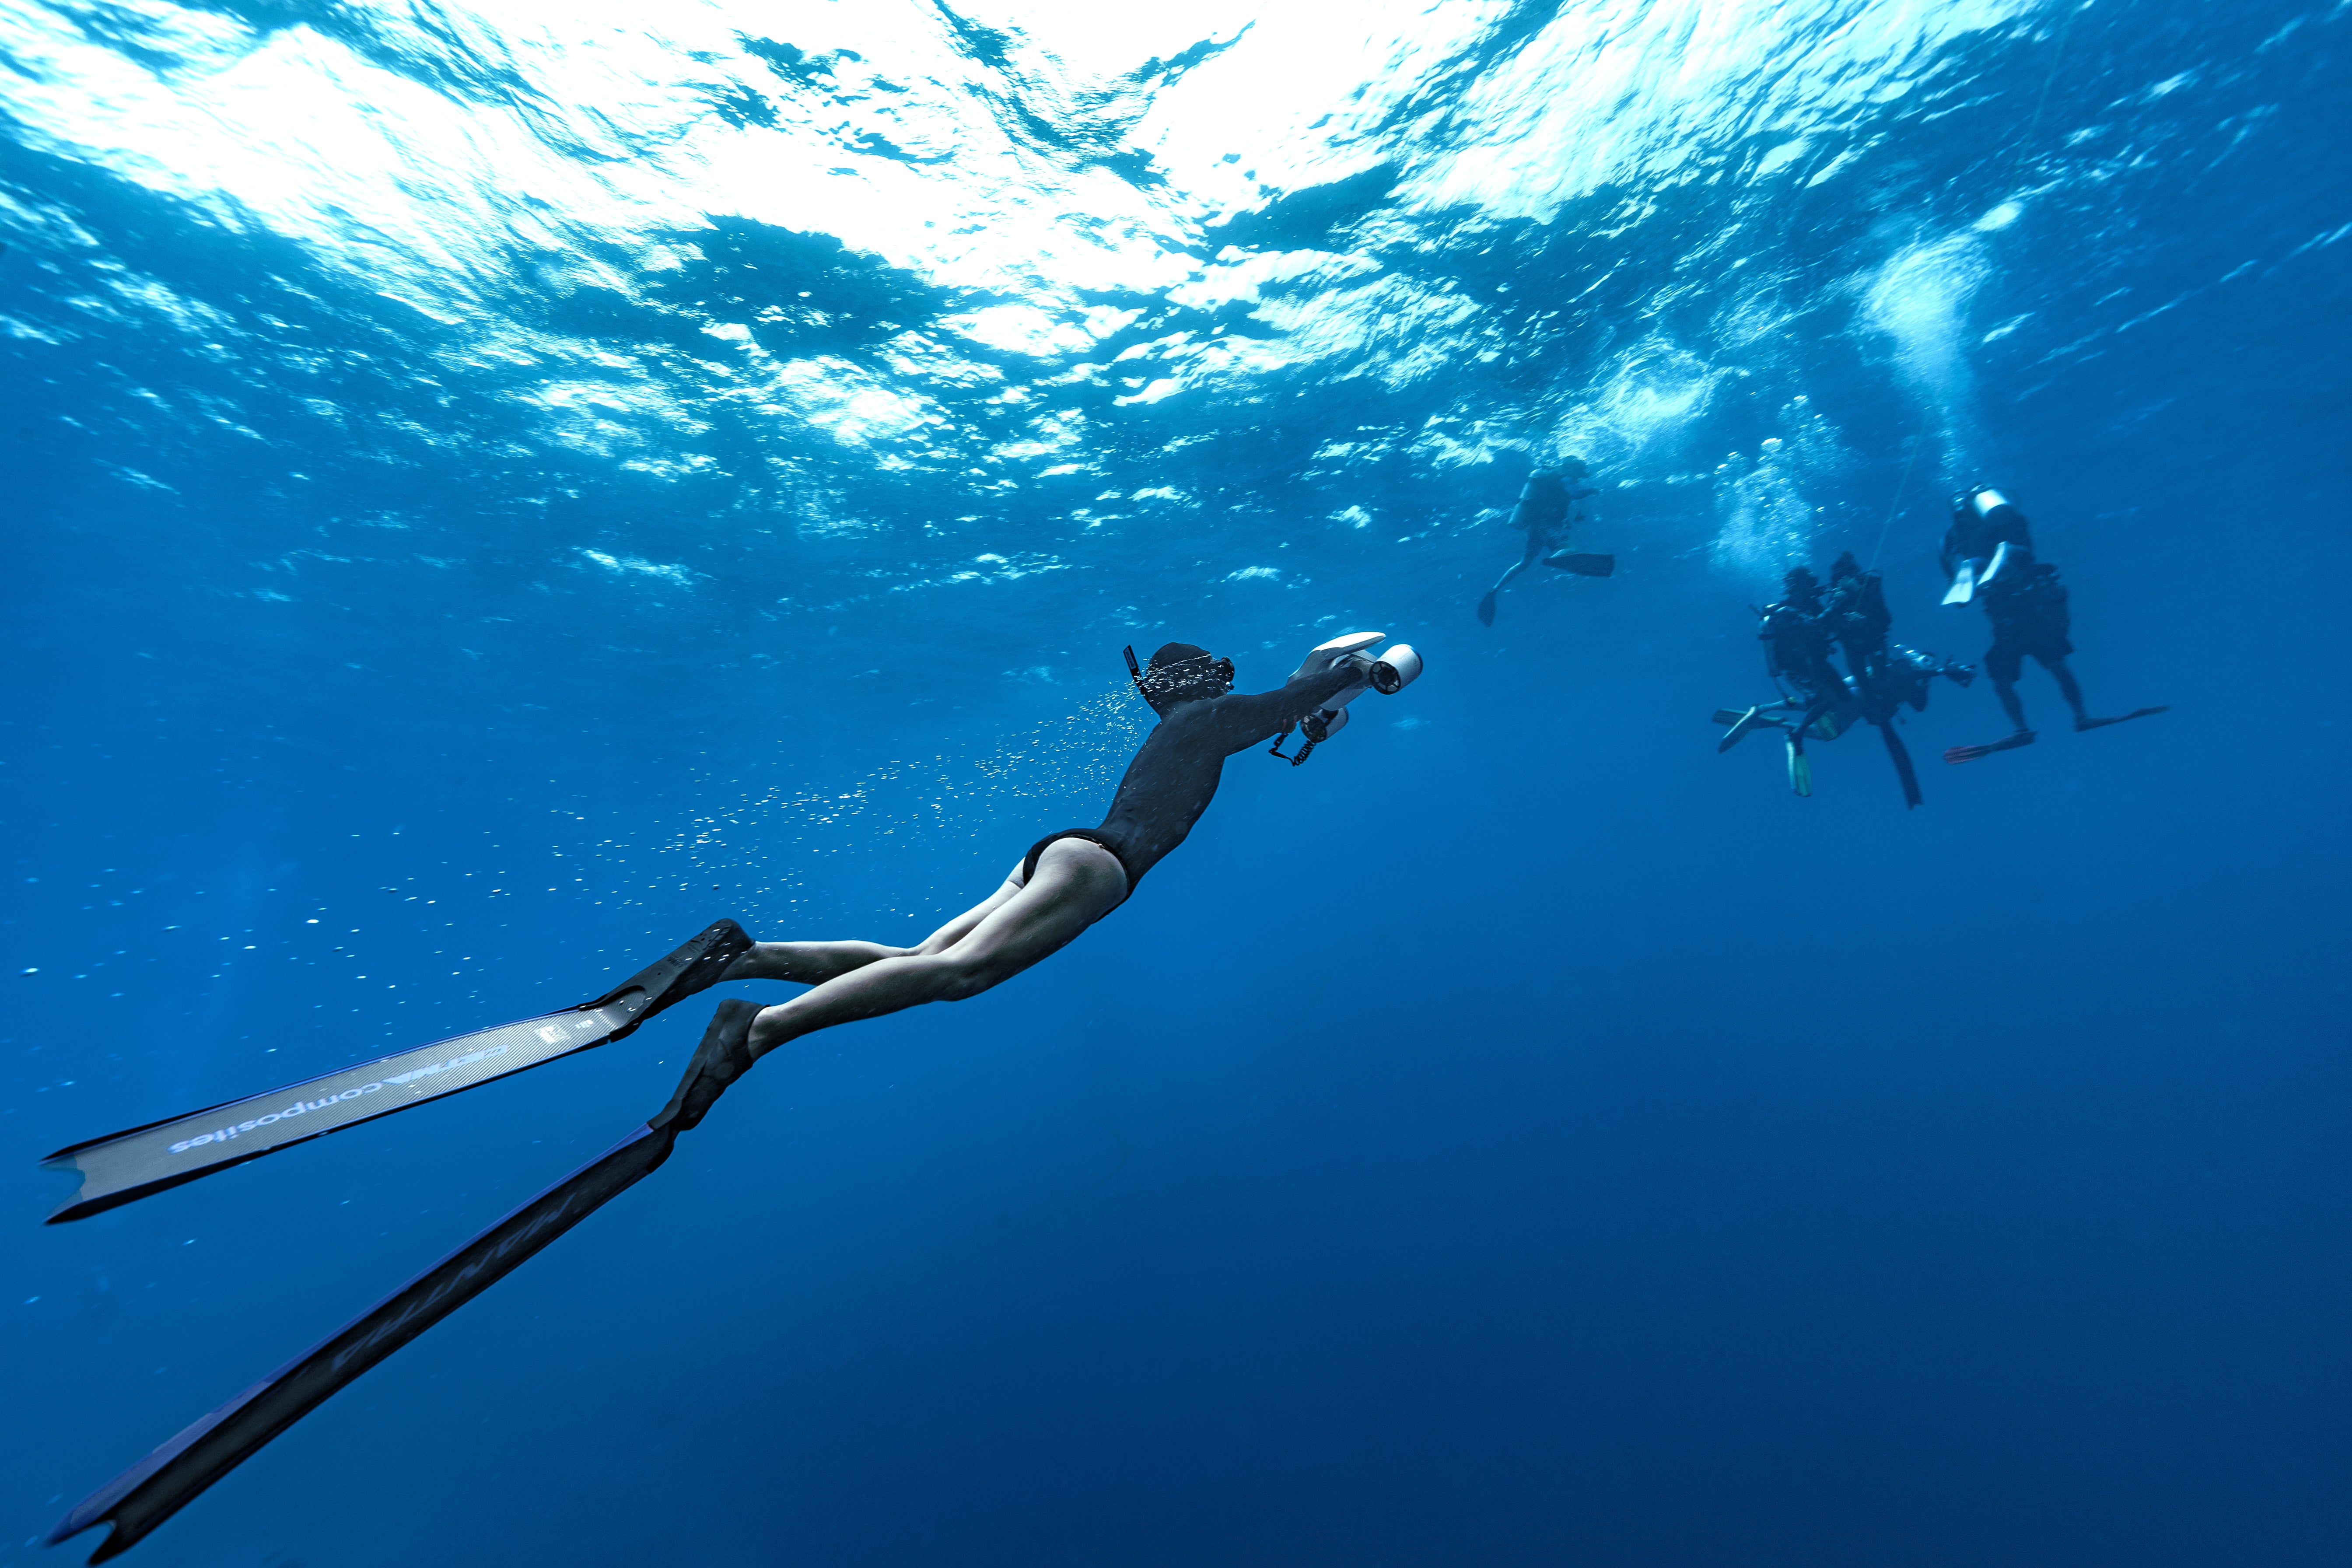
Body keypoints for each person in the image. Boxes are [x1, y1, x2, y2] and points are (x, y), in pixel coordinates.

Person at [698, 639, 1383, 1065]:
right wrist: (1347, 672)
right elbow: (1285, 700)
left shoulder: (1191, 721)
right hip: (1099, 864)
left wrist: (1316, 706)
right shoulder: (1208, 715)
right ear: (1207, 681)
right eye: (1222, 672)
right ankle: (757, 1032)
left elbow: (1282, 709)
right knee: (961, 975)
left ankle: (741, 959)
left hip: (1063, 854)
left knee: (920, 960)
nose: (1230, 683)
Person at [1941, 490, 2166, 764]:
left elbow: (1945, 563)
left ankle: (2024, 731)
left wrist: (1962, 574)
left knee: (2006, 680)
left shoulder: (1956, 534)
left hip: (2008, 619)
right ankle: (2080, 718)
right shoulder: (1999, 518)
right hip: (2026, 612)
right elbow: (2024, 537)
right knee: (2056, 667)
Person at [1476, 457, 1614, 626]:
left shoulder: (1553, 480)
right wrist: (1592, 490)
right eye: (1579, 471)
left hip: (1534, 527)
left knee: (1524, 563)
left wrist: (1574, 516)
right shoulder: (1566, 479)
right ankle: (1558, 557)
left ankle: (1494, 590)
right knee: (1567, 545)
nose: (1581, 475)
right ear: (1571, 469)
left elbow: (1564, 502)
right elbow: (1574, 494)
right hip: (1546, 525)